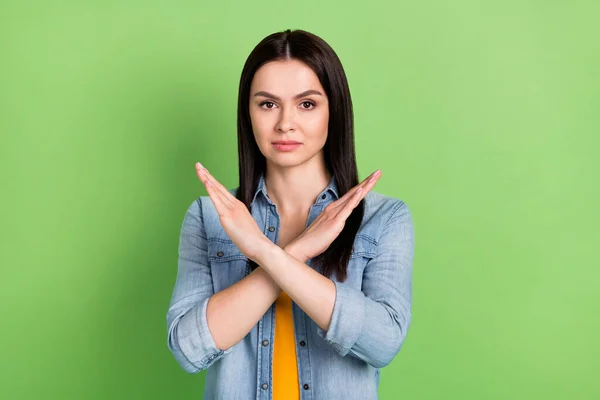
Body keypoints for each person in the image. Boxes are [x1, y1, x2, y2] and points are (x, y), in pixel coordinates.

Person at [166, 29, 415, 400]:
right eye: (267, 104)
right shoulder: (209, 217)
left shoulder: (384, 219)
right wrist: (294, 253)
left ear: (335, 110)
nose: (285, 123)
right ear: (247, 112)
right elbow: (188, 348)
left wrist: (265, 252)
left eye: (307, 104)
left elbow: (382, 344)